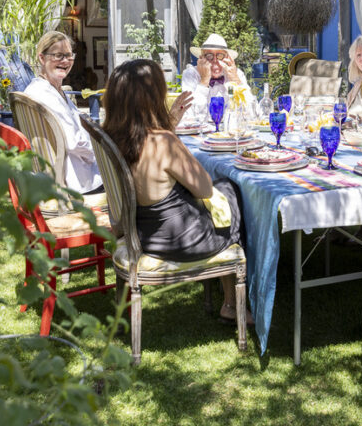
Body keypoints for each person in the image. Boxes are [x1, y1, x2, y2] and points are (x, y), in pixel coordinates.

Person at [102, 60, 251, 326]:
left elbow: (148, 160)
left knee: (222, 196)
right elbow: (204, 187)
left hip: (142, 233)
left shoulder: (111, 137)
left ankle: (227, 299)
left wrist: (169, 124)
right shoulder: (163, 141)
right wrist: (171, 136)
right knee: (229, 191)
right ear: (150, 97)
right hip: (178, 241)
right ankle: (232, 303)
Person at [24, 31, 104, 195]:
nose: (65, 61)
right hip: (74, 181)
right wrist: (103, 150)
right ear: (42, 58)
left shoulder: (51, 90)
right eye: (58, 55)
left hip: (66, 174)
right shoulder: (44, 94)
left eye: (69, 55)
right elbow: (75, 142)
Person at [180, 33, 254, 117]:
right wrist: (204, 81)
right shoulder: (191, 74)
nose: (215, 61)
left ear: (227, 58)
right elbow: (189, 114)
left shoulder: (236, 74)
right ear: (202, 58)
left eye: (220, 55)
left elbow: (251, 113)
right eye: (209, 55)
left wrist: (235, 80)